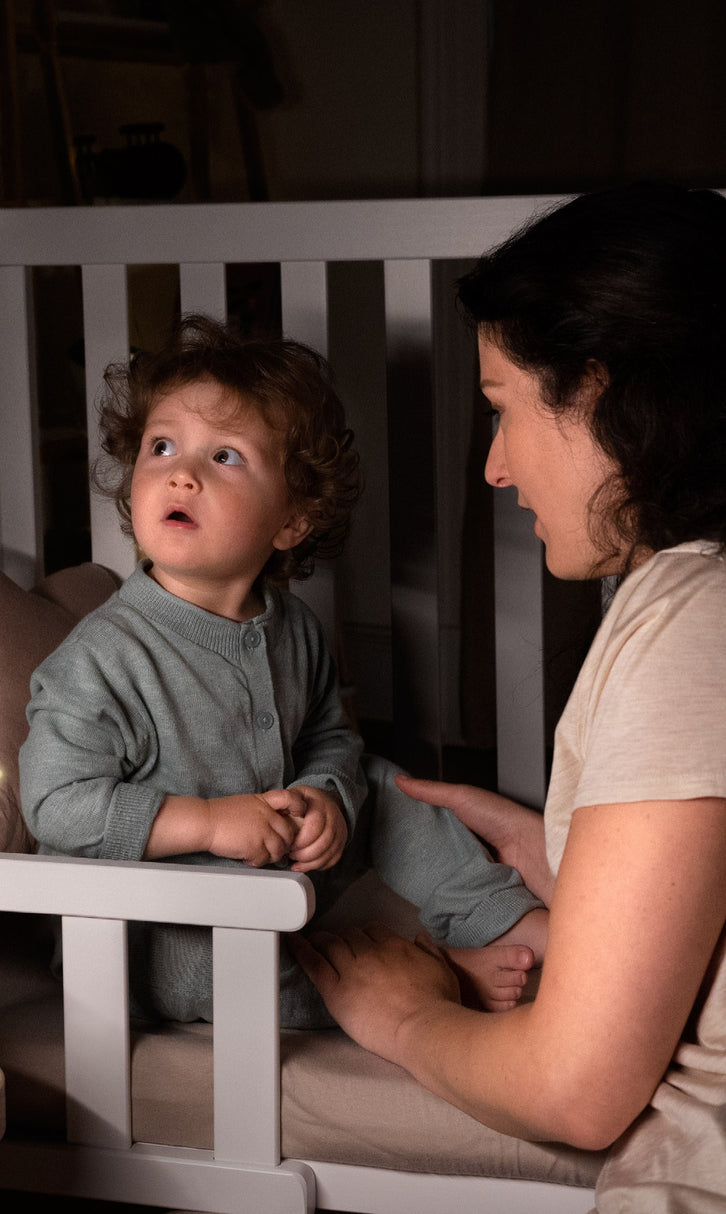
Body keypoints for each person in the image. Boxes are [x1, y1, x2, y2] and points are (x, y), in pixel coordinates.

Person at [289, 182, 726, 1209]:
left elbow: (575, 1090)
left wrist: (400, 1015)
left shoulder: (693, 613)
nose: (491, 466)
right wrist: (557, 848)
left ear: (599, 389)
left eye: (502, 408)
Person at [19, 315, 547, 1029]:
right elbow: (56, 806)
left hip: (276, 864)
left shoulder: (292, 627)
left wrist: (325, 798)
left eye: (225, 457)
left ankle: (497, 918)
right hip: (153, 925)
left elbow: (332, 736)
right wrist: (206, 823)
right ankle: (433, 977)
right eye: (162, 446)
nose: (181, 472)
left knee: (388, 789)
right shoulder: (101, 657)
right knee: (228, 976)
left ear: (292, 521)